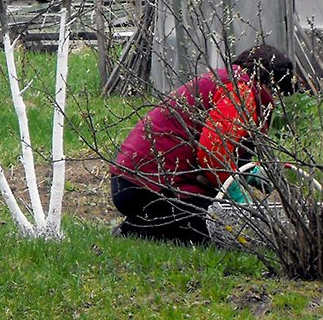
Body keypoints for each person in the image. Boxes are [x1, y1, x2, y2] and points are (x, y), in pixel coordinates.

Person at [109, 45, 305, 244]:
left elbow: (223, 147)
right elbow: (213, 151)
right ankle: (138, 229)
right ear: (270, 84)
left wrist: (245, 172)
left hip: (132, 181)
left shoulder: (226, 80)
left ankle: (142, 225)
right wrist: (234, 192)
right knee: (218, 232)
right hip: (147, 187)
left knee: (214, 224)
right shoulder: (239, 91)